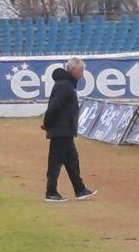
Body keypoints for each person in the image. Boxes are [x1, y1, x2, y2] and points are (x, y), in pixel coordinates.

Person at [41, 58, 98, 203]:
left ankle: (80, 189)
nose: (82, 74)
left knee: (72, 160)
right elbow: (54, 107)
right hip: (61, 130)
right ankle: (51, 192)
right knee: (55, 163)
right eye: (81, 70)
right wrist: (47, 123)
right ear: (74, 69)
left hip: (65, 130)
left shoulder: (66, 84)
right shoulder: (65, 86)